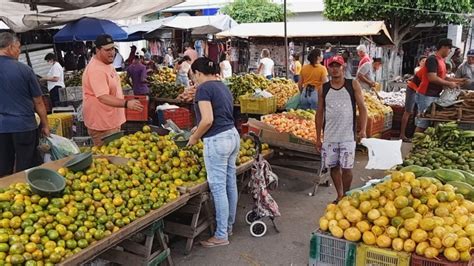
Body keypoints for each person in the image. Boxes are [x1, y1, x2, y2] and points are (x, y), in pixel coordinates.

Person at [187, 57, 240, 247]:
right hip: (232, 136)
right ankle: (229, 226)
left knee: (218, 188)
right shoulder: (222, 86)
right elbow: (219, 115)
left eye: (194, 76)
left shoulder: (203, 89)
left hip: (217, 140)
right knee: (229, 184)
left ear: (198, 73)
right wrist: (197, 128)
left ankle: (221, 235)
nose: (195, 80)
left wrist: (194, 138)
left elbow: (208, 119)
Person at [316, 55, 368, 202]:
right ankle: (339, 194)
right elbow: (319, 113)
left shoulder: (353, 85)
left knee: (347, 168)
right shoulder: (323, 89)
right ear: (328, 68)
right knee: (333, 167)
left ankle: (347, 194)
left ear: (343, 67)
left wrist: (362, 129)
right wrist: (318, 137)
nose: (334, 69)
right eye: (331, 66)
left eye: (337, 66)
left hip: (347, 136)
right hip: (330, 136)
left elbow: (362, 108)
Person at [0, 32, 50, 176]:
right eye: (18, 47)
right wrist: (45, 125)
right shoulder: (24, 70)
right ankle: (24, 193)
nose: (19, 51)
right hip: (24, 126)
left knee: (3, 167)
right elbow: (38, 101)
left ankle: (5, 195)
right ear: (10, 47)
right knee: (27, 166)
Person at [82, 34, 143, 146]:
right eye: (107, 50)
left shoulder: (107, 63)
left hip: (111, 121)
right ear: (98, 50)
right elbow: (103, 97)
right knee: (106, 159)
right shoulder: (96, 70)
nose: (112, 52)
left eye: (113, 49)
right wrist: (126, 103)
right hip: (103, 124)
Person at [412, 38, 465, 132]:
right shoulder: (432, 59)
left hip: (434, 94)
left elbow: (443, 77)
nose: (450, 51)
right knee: (424, 121)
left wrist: (458, 81)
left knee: (429, 120)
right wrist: (449, 83)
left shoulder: (442, 61)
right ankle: (415, 143)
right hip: (426, 94)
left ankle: (420, 142)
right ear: (443, 47)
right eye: (449, 49)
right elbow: (432, 77)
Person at [401, 55, 427, 142]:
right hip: (412, 89)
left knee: (416, 113)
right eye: (423, 61)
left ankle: (413, 135)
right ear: (419, 62)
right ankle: (402, 135)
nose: (424, 62)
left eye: (426, 61)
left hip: (418, 91)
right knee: (408, 111)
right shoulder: (418, 69)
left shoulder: (426, 70)